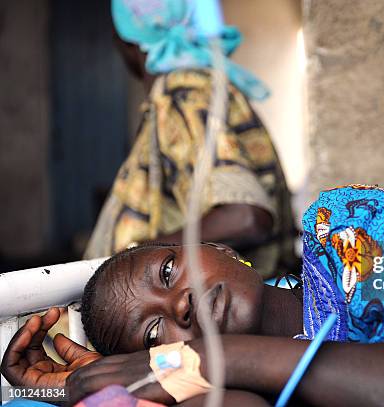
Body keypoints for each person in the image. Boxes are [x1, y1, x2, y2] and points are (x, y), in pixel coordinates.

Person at [3, 185, 384, 406]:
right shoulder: (243, 392)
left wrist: (211, 358)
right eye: (156, 334)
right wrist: (108, 388)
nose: (180, 306)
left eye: (167, 275)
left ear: (217, 250)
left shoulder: (348, 234)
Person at [84, 0, 297, 279]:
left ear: (128, 42)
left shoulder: (182, 96)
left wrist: (137, 253)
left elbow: (246, 216)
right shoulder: (197, 88)